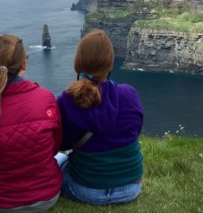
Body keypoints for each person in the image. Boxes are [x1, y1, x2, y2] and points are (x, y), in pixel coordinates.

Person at [0, 34, 62, 212]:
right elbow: (54, 147)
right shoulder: (46, 98)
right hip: (47, 198)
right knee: (63, 157)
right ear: (24, 63)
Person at [56, 29, 144, 205]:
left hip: (86, 190)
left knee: (57, 161)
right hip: (131, 188)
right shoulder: (129, 94)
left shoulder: (67, 100)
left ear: (78, 63)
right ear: (110, 65)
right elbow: (136, 129)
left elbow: (62, 143)